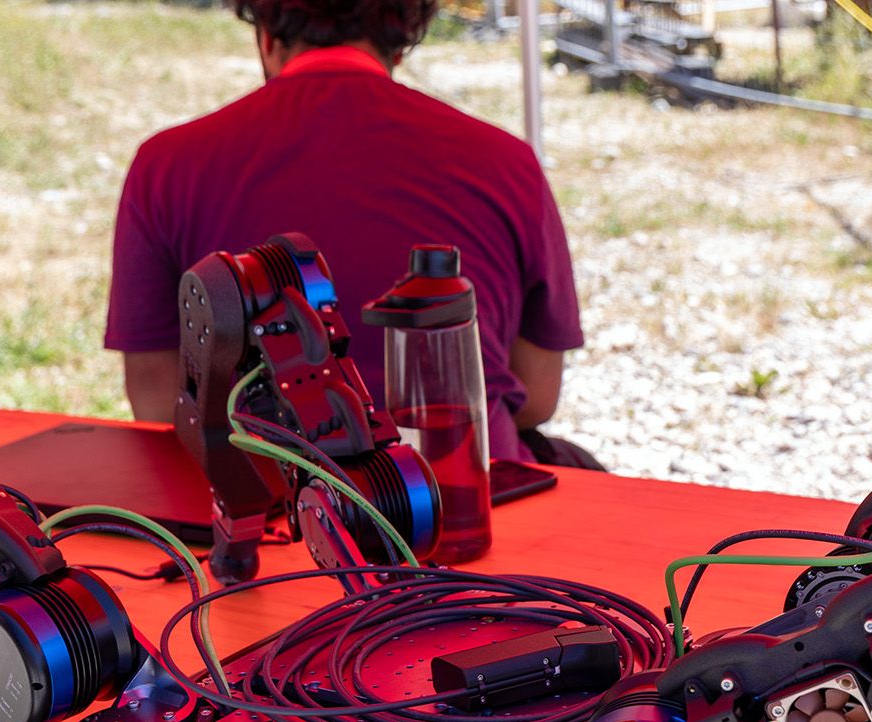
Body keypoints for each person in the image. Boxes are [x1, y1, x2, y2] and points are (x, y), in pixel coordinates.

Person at [105, 0, 583, 462]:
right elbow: (537, 395)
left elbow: (156, 402)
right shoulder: (506, 163)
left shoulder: (165, 167)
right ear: (399, 44)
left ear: (266, 39)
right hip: (462, 491)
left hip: (248, 502)